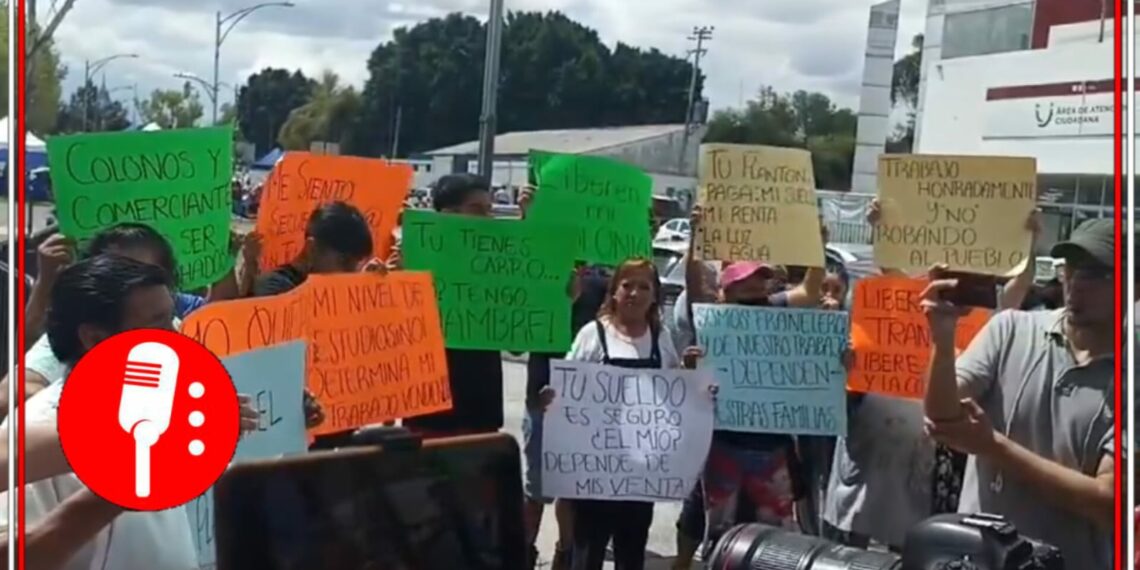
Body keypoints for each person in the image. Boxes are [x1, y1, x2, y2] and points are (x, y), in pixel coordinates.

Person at [1, 255, 258, 570]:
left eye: (173, 321)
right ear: (95, 338)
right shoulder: (33, 426)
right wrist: (122, 484)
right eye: (158, 325)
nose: (176, 338)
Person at [922, 218, 1115, 569]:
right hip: (977, 561)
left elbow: (1110, 503)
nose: (1074, 283)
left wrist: (994, 448)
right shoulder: (1010, 328)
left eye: (1093, 274)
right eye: (1068, 269)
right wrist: (943, 337)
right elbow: (942, 417)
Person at [3, 223, 260, 416]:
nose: (176, 337)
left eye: (146, 273)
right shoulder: (37, 436)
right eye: (120, 270)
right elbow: (13, 394)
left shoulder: (173, 327)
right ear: (93, 338)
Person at [544, 258, 687, 570]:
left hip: (639, 471)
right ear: (614, 292)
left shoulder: (660, 339)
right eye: (627, 285)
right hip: (594, 468)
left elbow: (674, 395)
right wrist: (553, 397)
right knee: (588, 549)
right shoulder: (592, 335)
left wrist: (696, 387)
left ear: (654, 295)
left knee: (632, 549)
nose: (634, 293)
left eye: (643, 286)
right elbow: (569, 387)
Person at [401, 174, 506, 438]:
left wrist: (560, 300)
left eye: (490, 210)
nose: (488, 218)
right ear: (448, 214)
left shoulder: (501, 268)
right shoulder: (410, 263)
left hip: (482, 412)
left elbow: (517, 343)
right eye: (477, 210)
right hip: (428, 412)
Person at [252, 201, 374, 296]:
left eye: (356, 267)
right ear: (312, 249)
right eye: (345, 262)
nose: (350, 275)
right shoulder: (273, 290)